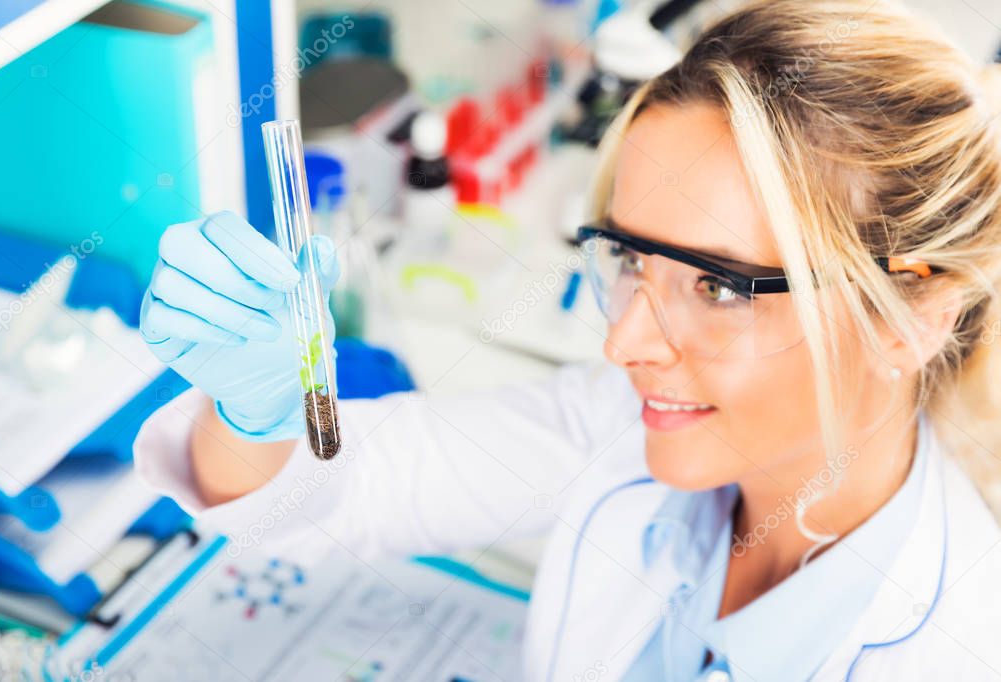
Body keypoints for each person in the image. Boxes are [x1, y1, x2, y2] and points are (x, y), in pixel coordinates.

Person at [134, 1, 1001, 679]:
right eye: (628, 258)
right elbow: (338, 496)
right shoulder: (623, 426)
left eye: (719, 285)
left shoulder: (955, 651)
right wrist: (252, 415)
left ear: (913, 316)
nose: (625, 341)